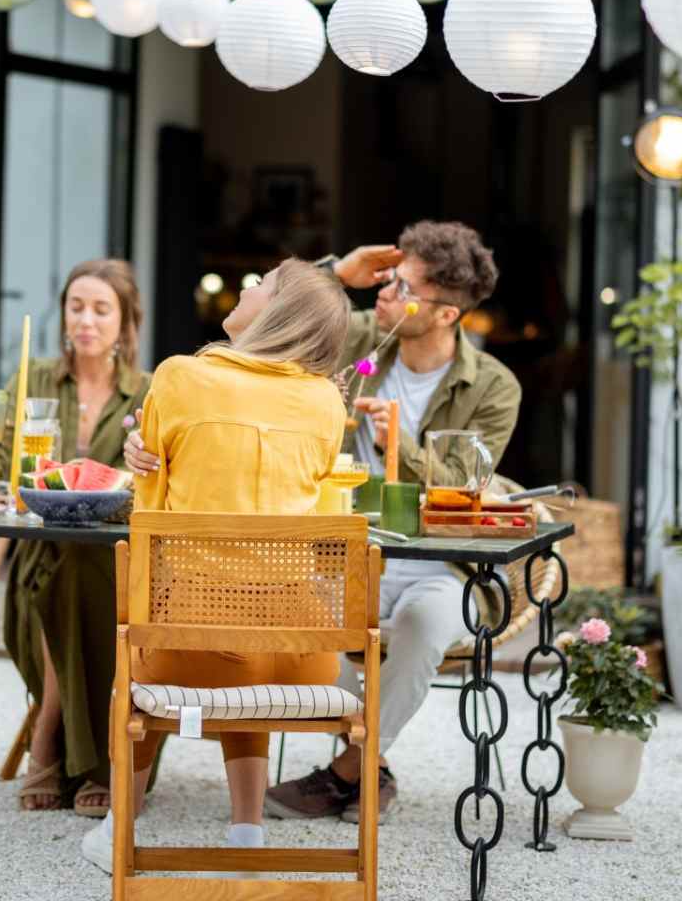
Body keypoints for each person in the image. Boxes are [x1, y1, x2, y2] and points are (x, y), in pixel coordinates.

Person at [82, 258, 351, 875]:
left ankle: (119, 825)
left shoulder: (179, 377)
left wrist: (149, 451)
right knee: (246, 619)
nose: (249, 284)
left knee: (166, 626)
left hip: (187, 653)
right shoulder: (325, 402)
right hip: (305, 656)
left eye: (264, 282)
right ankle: (246, 832)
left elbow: (149, 518)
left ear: (278, 312)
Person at [264, 221, 522, 824]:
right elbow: (265, 319)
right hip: (349, 556)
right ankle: (368, 771)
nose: (383, 293)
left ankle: (345, 772)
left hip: (444, 567)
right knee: (291, 609)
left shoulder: (493, 386)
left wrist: (398, 440)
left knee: (423, 624)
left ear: (444, 315)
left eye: (401, 286)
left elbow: (463, 481)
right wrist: (335, 274)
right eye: (386, 278)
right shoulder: (360, 339)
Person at [0, 259, 151, 819]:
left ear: (126, 322)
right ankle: (96, 762)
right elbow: (1, 464)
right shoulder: (32, 379)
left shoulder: (147, 393)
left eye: (101, 309)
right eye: (76, 306)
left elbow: (152, 487)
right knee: (63, 578)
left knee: (80, 576)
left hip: (115, 563)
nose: (85, 319)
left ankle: (48, 742)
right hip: (40, 554)